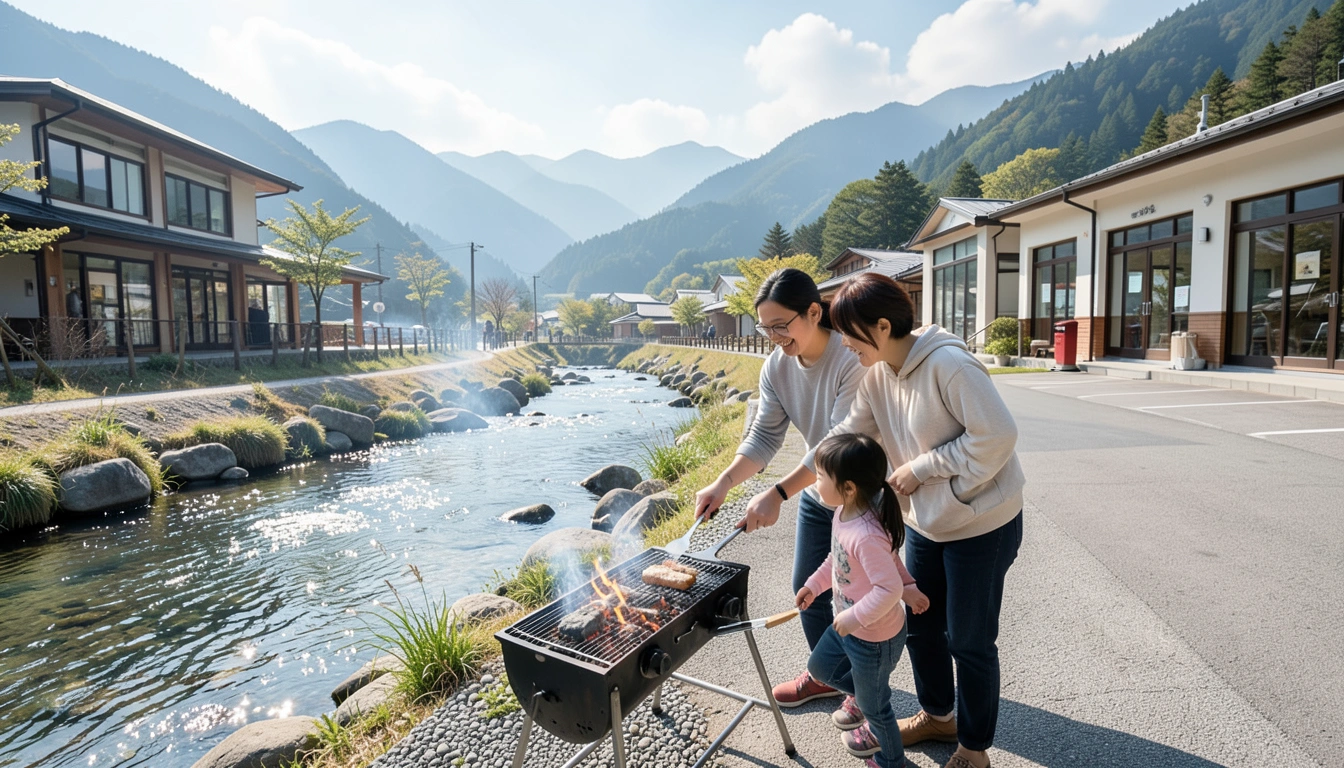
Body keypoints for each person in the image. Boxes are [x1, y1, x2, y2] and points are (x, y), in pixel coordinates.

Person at [819, 272, 1024, 768]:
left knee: (969, 639)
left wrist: (925, 468)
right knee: (922, 625)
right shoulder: (877, 376)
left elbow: (998, 436)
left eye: (850, 333)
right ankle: (938, 714)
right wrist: (794, 483)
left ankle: (974, 748)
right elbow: (850, 434)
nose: (845, 346)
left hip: (983, 524)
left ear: (883, 326)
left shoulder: (950, 365)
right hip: (928, 522)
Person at [693, 267, 865, 708]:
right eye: (763, 327)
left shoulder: (850, 359)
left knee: (855, 596)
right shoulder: (776, 366)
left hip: (863, 497)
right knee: (808, 589)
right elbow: (765, 436)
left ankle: (864, 690)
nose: (772, 336)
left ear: (813, 312)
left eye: (780, 326)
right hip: (816, 494)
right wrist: (723, 482)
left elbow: (836, 441)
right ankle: (833, 676)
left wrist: (777, 494)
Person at [799, 433, 929, 768]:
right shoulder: (842, 514)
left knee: (877, 709)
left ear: (849, 487)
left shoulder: (867, 534)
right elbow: (837, 560)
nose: (815, 482)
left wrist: (856, 616)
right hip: (849, 625)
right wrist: (814, 586)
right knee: (820, 667)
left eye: (821, 476)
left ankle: (890, 759)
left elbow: (888, 590)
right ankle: (865, 694)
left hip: (874, 637)